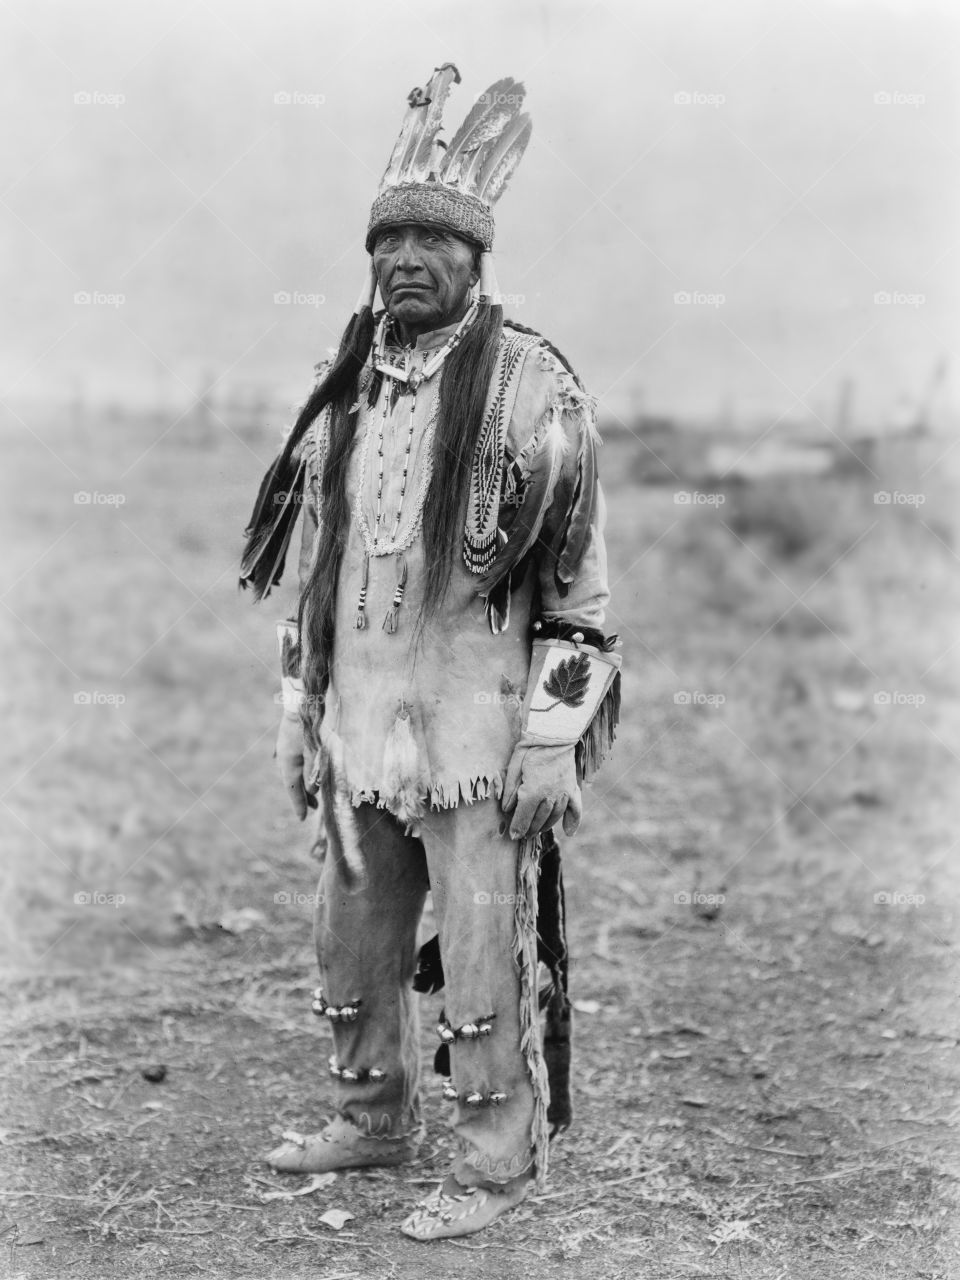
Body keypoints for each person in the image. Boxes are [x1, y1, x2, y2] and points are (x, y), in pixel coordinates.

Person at [240, 64, 621, 1241]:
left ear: (474, 257)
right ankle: (371, 1115)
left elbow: (582, 598)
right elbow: (313, 572)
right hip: (361, 725)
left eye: (428, 239)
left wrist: (554, 739)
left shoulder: (529, 389)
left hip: (475, 733)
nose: (403, 258)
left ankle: (497, 1161)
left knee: (479, 947)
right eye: (387, 238)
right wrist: (302, 709)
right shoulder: (345, 390)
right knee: (348, 935)